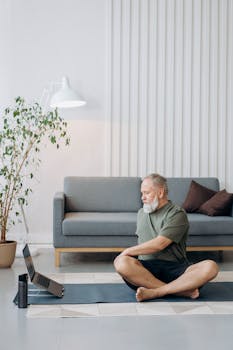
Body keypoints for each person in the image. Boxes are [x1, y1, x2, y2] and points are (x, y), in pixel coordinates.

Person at [114, 173, 219, 302]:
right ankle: (181, 292)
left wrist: (128, 251)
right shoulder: (141, 213)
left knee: (211, 266)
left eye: (147, 193)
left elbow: (160, 244)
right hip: (146, 271)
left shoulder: (177, 213)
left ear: (161, 192)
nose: (143, 198)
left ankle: (156, 292)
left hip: (176, 269)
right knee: (120, 262)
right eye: (142, 194)